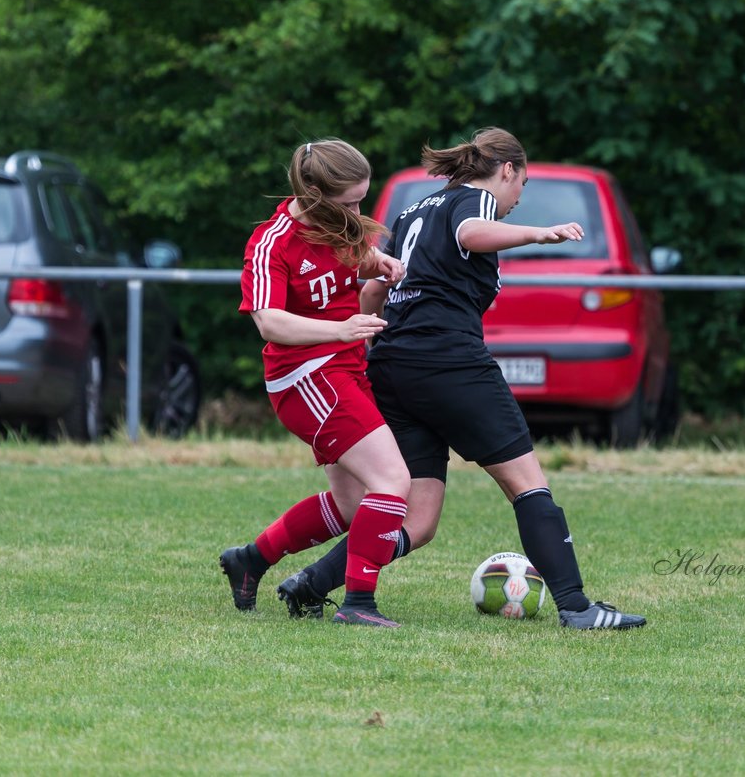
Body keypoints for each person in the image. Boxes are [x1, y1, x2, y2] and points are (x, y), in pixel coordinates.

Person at [276, 127, 647, 630]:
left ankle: (311, 583)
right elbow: (472, 233)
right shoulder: (475, 199)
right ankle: (578, 609)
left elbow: (372, 295)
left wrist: (369, 352)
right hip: (451, 364)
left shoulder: (414, 211)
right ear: (508, 170)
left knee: (418, 520)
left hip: (394, 366)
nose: (519, 199)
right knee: (527, 484)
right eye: (523, 185)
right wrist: (541, 232)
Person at [221, 138, 411, 627]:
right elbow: (269, 322)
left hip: (344, 369)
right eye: (347, 201)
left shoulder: (336, 223)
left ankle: (251, 560)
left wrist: (379, 263)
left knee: (354, 507)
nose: (356, 210)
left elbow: (348, 262)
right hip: (306, 377)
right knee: (392, 481)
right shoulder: (272, 242)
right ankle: (358, 605)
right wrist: (341, 330)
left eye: (360, 200)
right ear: (310, 188)